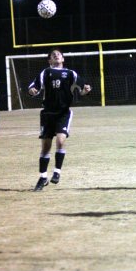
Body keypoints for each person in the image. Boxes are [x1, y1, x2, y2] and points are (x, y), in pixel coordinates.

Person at [28, 49, 91, 191]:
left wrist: (86, 90)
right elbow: (34, 87)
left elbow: (82, 89)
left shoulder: (70, 73)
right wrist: (32, 90)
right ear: (49, 60)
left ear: (63, 59)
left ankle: (57, 172)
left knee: (60, 141)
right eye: (53, 55)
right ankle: (43, 177)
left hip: (63, 113)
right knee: (46, 147)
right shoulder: (46, 72)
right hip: (47, 114)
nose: (56, 55)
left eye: (59, 54)